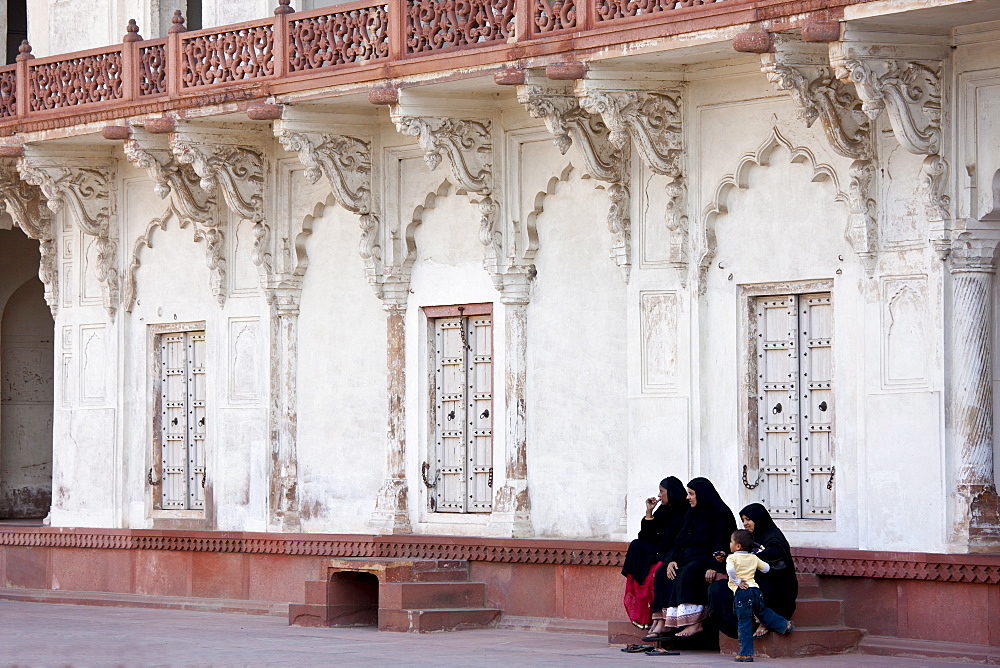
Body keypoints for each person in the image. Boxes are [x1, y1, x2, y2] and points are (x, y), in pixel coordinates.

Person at [646, 477, 736, 639]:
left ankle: (695, 623)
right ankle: (663, 621)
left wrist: (714, 566)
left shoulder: (720, 513)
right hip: (688, 557)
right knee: (662, 573)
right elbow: (679, 541)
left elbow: (722, 545)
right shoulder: (692, 512)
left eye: (691, 494)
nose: (688, 497)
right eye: (688, 493)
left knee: (688, 573)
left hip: (707, 559)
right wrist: (672, 560)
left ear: (702, 494)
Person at [707, 502, 798, 639]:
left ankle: (766, 621)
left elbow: (774, 556)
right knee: (717, 589)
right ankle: (745, 624)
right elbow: (742, 557)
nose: (745, 523)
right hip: (749, 586)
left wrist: (751, 558)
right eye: (743, 520)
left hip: (777, 590)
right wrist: (727, 557)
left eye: (748, 519)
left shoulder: (774, 537)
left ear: (759, 519)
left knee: (761, 582)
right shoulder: (750, 538)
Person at [621, 477, 688, 629]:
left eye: (662, 492)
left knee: (656, 574)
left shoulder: (685, 511)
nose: (659, 496)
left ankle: (659, 619)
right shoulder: (664, 509)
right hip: (660, 550)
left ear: (671, 493)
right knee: (636, 545)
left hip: (674, 553)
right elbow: (646, 536)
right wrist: (649, 512)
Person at [726, 529, 794, 662]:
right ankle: (784, 624)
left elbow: (730, 570)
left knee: (744, 623)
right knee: (763, 612)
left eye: (731, 542)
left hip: (742, 593)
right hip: (756, 591)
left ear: (737, 546)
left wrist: (737, 581)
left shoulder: (732, 557)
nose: (730, 544)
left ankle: (745, 654)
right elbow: (766, 568)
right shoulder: (753, 557)